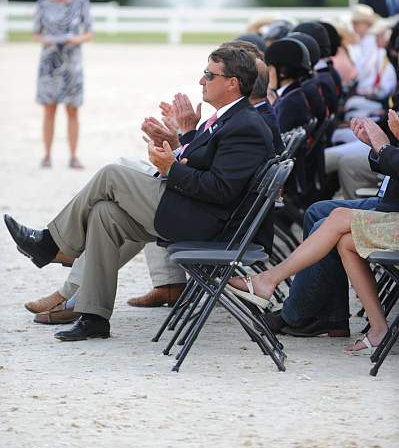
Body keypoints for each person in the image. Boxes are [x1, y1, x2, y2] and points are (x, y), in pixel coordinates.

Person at [4, 45, 275, 341]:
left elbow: (221, 190)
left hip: (209, 225)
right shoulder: (230, 119)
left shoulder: (244, 125)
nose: (201, 81)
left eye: (209, 75)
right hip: (198, 213)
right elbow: (208, 169)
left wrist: (171, 168)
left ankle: (49, 244)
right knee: (104, 214)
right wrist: (175, 150)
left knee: (112, 174)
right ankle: (93, 317)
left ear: (232, 83)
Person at [230, 111, 399, 352]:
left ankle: (271, 285)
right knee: (333, 228)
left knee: (333, 221)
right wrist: (378, 147)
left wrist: (384, 147)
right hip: (391, 206)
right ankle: (360, 324)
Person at [33, 0, 93, 169]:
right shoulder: (42, 4)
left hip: (72, 64)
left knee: (73, 111)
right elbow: (36, 34)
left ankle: (73, 156)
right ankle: (47, 155)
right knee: (49, 111)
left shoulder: (81, 2)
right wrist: (48, 40)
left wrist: (76, 39)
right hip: (49, 65)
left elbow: (89, 31)